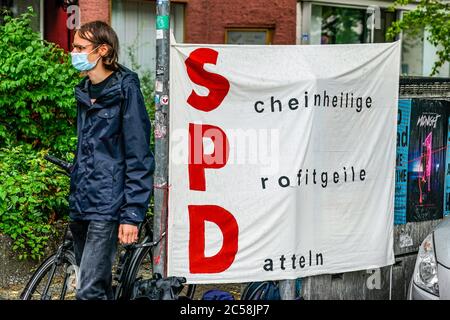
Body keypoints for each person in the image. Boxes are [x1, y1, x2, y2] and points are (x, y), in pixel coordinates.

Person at [68, 21, 154, 300]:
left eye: (80, 48)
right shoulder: (83, 91)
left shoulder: (125, 90)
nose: (74, 52)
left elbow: (139, 155)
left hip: (107, 205)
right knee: (98, 287)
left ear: (102, 50)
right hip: (82, 203)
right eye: (74, 47)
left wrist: (132, 214)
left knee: (88, 292)